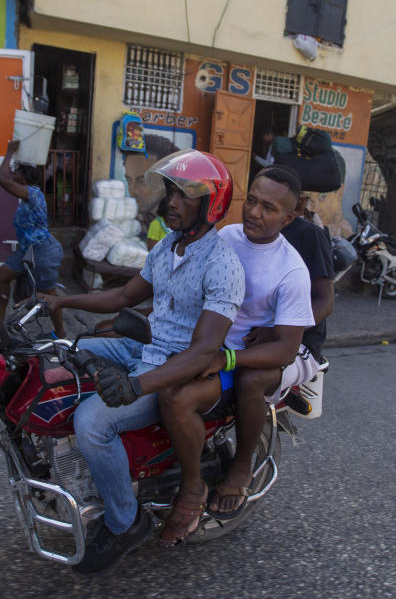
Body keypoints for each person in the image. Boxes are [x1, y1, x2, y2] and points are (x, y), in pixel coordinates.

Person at [41, 149, 244, 575]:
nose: (171, 202)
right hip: (143, 348)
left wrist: (136, 386)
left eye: (185, 195)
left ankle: (124, 521)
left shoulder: (223, 264)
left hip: (174, 366)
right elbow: (122, 297)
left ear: (211, 204)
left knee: (93, 423)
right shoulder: (168, 246)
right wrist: (61, 299)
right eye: (172, 192)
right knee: (59, 358)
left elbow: (205, 351)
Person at [157, 166, 316, 544]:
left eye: (269, 208)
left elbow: (287, 348)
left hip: (241, 358)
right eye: (252, 201)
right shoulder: (226, 236)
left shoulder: (292, 270)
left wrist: (227, 360)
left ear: (288, 217)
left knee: (231, 386)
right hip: (205, 344)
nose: (255, 213)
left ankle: (236, 469)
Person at [0, 139, 65, 337]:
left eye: (16, 171)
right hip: (28, 249)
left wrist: (9, 152)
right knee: (2, 276)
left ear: (24, 176)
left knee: (48, 295)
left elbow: (2, 179)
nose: (12, 174)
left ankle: (61, 333)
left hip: (43, 251)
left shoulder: (33, 194)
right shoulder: (26, 197)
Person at [123, 134, 180, 235]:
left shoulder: (177, 224)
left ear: (166, 183)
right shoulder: (124, 224)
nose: (133, 191)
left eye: (142, 182)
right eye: (129, 181)